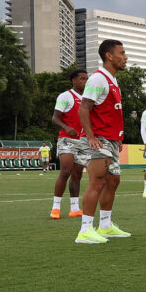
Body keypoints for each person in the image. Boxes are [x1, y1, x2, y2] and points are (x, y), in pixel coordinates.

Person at [74, 39, 130, 244]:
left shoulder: (113, 81)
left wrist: (118, 138)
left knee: (113, 181)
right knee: (97, 181)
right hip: (99, 139)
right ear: (109, 56)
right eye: (122, 53)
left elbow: (110, 113)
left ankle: (105, 226)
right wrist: (90, 137)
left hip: (112, 139)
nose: (125, 57)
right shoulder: (98, 79)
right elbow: (84, 108)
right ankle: (85, 230)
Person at [49, 69, 88, 219]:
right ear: (74, 81)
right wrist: (66, 127)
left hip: (82, 141)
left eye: (86, 78)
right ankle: (55, 208)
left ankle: (74, 209)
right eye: (82, 78)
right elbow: (55, 117)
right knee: (65, 170)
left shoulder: (88, 98)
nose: (85, 81)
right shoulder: (65, 96)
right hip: (66, 139)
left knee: (77, 175)